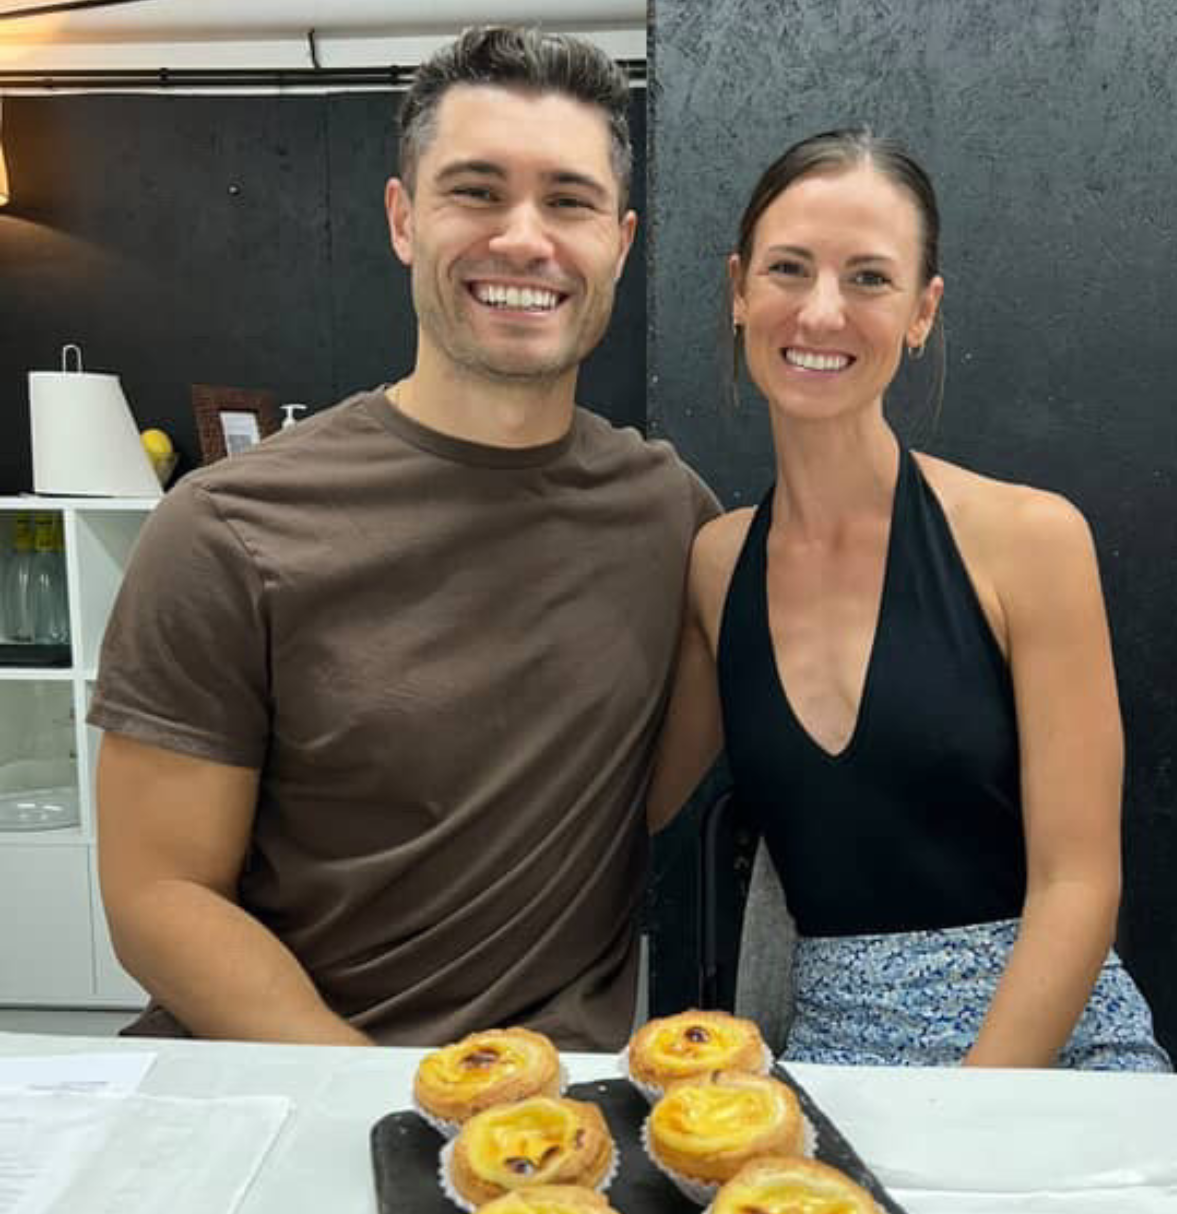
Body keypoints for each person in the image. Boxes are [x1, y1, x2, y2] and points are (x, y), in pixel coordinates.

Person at [90, 26, 718, 1050]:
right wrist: (378, 1100)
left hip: (542, 1131)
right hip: (274, 1089)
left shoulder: (669, 514)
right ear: (401, 218)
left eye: (568, 200)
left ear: (621, 240)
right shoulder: (225, 526)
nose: (525, 238)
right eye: (475, 191)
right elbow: (158, 895)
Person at [649, 128, 1170, 1070]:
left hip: (1056, 1051)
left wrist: (970, 1110)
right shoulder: (718, 566)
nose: (819, 312)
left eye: (869, 279)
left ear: (924, 311)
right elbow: (630, 805)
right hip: (833, 1059)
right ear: (738, 290)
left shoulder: (1031, 540)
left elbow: (1080, 882)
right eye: (789, 269)